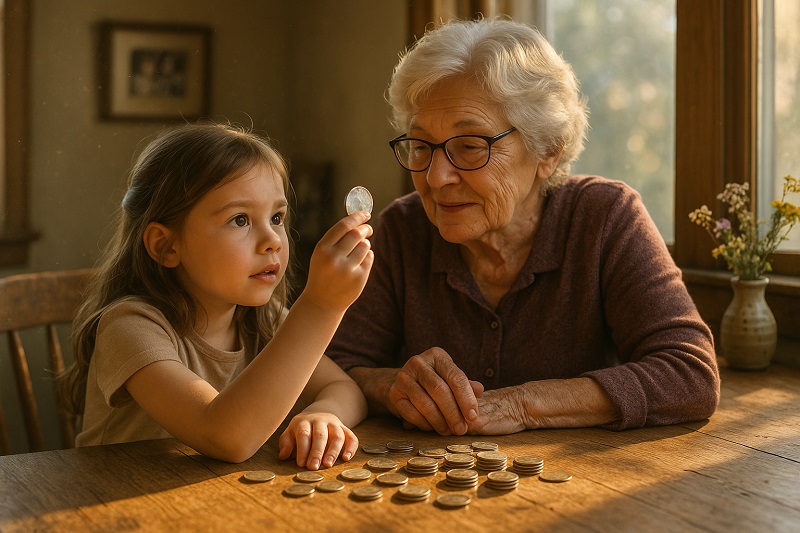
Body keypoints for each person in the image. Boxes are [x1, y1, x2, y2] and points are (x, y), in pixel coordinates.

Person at [326, 18, 720, 436]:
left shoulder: (605, 218)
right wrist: (392, 387)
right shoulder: (402, 231)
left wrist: (522, 404)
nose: (437, 177)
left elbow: (688, 373)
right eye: (422, 146)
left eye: (471, 146)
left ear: (547, 150)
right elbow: (333, 367)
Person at [57, 123, 374, 467]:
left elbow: (347, 392)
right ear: (166, 246)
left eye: (277, 217)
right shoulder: (129, 327)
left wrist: (323, 415)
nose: (273, 240)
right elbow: (225, 436)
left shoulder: (261, 321)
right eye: (240, 219)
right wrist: (321, 306)